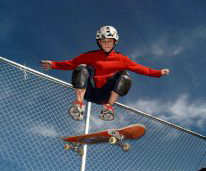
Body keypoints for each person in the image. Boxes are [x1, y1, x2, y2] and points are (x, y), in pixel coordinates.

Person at [41, 26, 169, 121]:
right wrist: (53, 64)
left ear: (115, 42)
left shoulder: (122, 59)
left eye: (110, 41)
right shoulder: (90, 56)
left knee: (124, 75)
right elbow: (71, 64)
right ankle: (79, 106)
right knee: (82, 67)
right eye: (104, 41)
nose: (107, 44)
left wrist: (158, 73)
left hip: (106, 95)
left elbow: (141, 69)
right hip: (90, 91)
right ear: (99, 42)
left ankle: (108, 108)